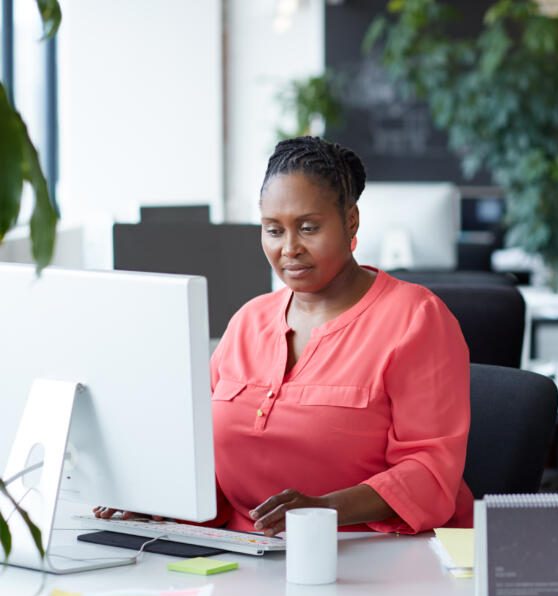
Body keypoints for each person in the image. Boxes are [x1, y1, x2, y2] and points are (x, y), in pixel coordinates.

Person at [97, 137, 474, 535]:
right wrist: (157, 500)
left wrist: (324, 510)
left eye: (308, 228)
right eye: (273, 230)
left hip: (370, 555)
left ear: (351, 221)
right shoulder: (248, 321)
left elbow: (430, 473)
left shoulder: (416, 319)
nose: (289, 248)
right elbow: (203, 453)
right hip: (248, 553)